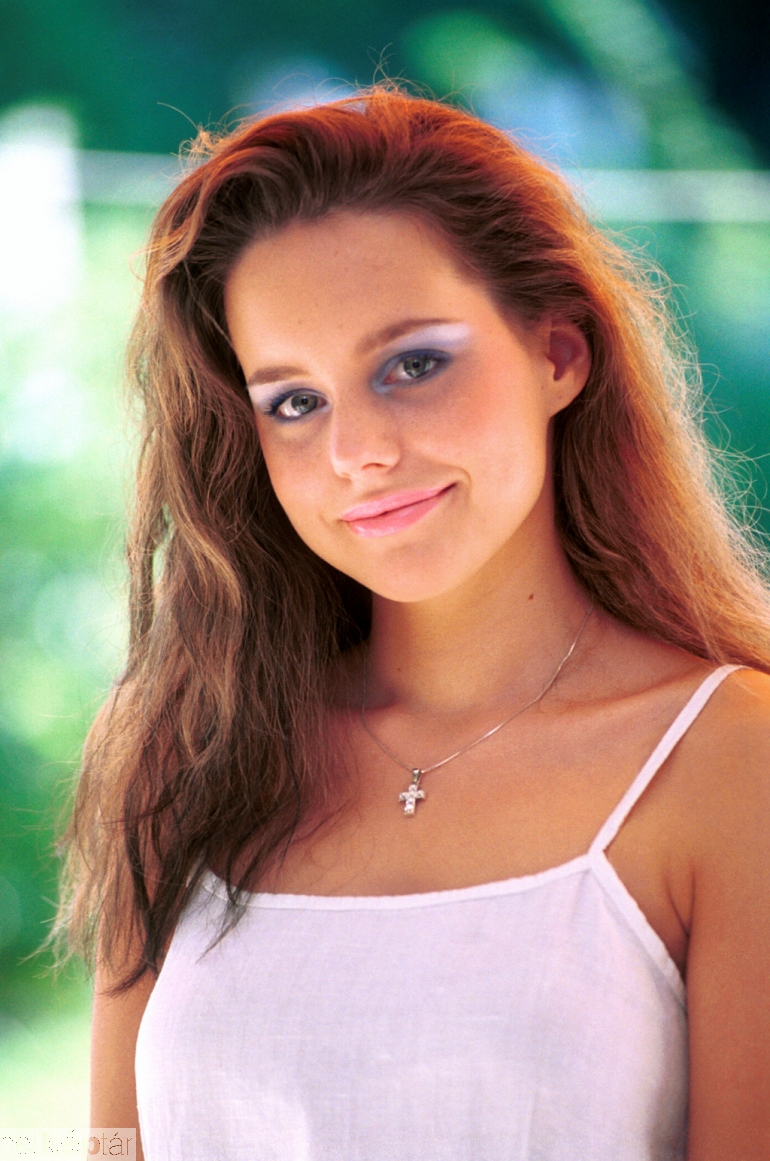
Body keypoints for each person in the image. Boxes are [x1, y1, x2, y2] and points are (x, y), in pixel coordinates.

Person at [51, 87, 770, 1160]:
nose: (359, 453)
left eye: (413, 365)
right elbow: (113, 1150)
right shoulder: (181, 751)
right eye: (294, 402)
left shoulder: (732, 764)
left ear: (558, 355)